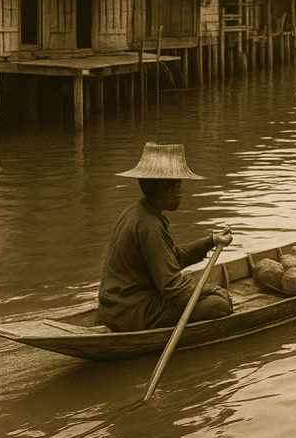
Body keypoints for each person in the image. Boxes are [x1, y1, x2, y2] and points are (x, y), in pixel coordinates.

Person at [99, 142, 234, 332]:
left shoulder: (138, 212)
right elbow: (173, 289)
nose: (181, 194)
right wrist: (211, 290)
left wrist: (212, 240)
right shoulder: (150, 226)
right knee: (219, 305)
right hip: (132, 313)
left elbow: (171, 258)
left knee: (211, 297)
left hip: (116, 308)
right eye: (177, 187)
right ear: (162, 189)